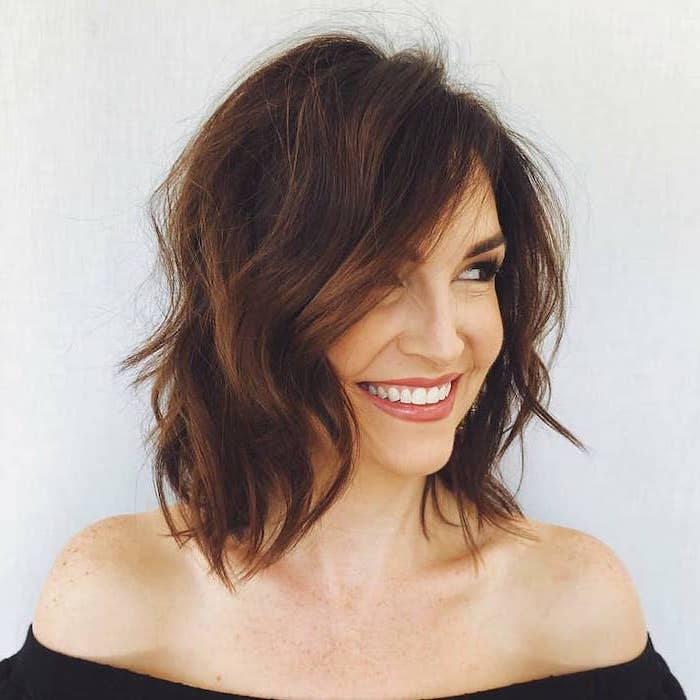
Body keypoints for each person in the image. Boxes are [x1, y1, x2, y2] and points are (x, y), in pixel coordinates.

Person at [1, 27, 687, 700]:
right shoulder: (111, 603)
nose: (446, 342)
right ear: (259, 293)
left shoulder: (576, 612)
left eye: (477, 271)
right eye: (384, 277)